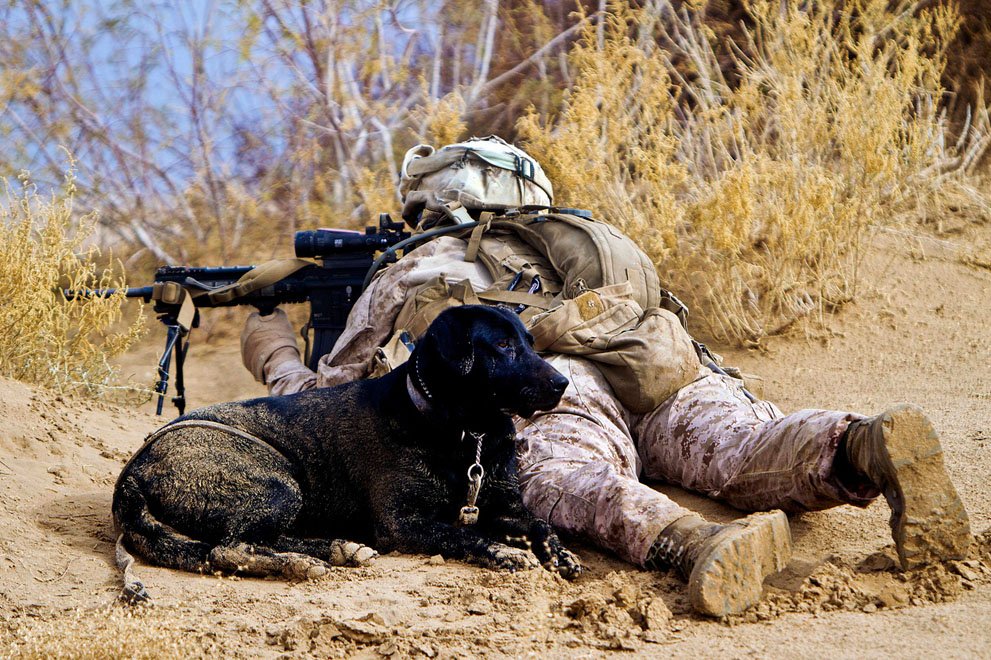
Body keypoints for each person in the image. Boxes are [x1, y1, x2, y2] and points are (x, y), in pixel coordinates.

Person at [240, 137, 972, 617]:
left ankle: (691, 542)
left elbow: (334, 403)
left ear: (436, 202)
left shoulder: (419, 266)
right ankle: (858, 445)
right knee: (743, 445)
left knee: (565, 473)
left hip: (544, 381)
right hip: (656, 361)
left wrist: (272, 348)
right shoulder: (580, 246)